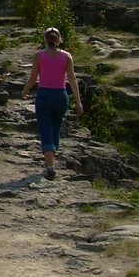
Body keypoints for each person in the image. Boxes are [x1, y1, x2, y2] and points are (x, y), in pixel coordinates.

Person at [21, 27, 83, 181]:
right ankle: (52, 156)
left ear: (45, 40)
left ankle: (50, 167)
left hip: (44, 96)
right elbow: (72, 79)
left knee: (46, 129)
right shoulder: (66, 56)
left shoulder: (39, 56)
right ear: (59, 40)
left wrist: (26, 89)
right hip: (60, 97)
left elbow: (34, 77)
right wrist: (78, 102)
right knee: (55, 127)